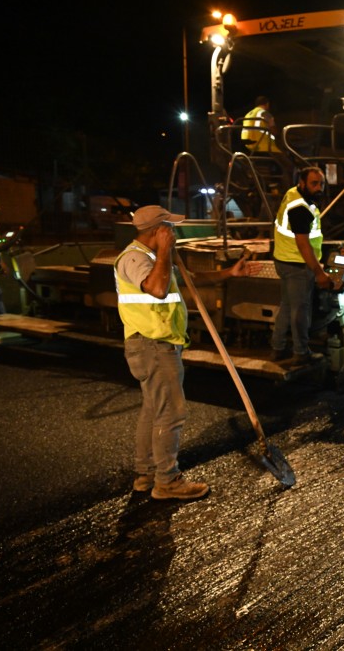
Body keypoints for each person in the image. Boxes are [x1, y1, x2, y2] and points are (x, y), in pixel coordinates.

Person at [115, 205, 261, 500]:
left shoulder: (155, 258)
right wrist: (167, 250)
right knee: (171, 412)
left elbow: (188, 278)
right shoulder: (135, 258)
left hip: (157, 343)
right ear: (158, 231)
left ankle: (146, 474)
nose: (175, 232)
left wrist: (230, 272)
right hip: (153, 345)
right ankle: (167, 481)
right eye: (171, 227)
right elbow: (156, 289)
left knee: (153, 410)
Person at [271, 166, 338, 364]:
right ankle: (301, 352)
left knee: (287, 306)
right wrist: (319, 273)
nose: (319, 188)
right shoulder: (300, 208)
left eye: (322, 184)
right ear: (302, 183)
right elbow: (302, 243)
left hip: (283, 260)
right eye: (314, 184)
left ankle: (277, 348)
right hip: (297, 265)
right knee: (300, 310)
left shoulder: (292, 194)